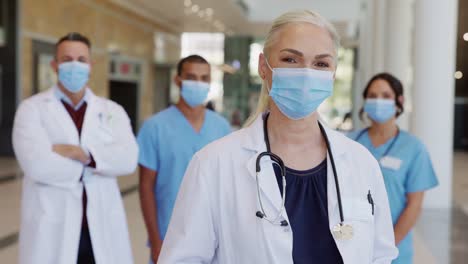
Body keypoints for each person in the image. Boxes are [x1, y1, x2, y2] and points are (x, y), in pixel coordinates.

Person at [158, 10, 398, 264]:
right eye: (291, 60)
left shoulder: (362, 162)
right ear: (264, 67)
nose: (306, 74)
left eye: (321, 63)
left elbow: (380, 255)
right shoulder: (213, 164)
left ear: (333, 74)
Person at [12, 32, 138, 264]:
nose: (74, 65)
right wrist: (96, 164)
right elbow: (36, 164)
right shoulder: (31, 110)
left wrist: (81, 154)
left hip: (100, 224)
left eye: (81, 60)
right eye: (67, 59)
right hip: (52, 223)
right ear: (54, 64)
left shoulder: (112, 110)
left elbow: (128, 159)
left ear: (91, 65)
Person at [137, 54, 231, 263]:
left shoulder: (221, 127)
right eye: (191, 77)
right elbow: (146, 187)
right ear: (177, 80)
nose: (198, 83)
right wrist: (155, 240)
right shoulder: (155, 127)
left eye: (204, 78)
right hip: (169, 233)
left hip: (214, 234)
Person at [348, 73, 439, 264]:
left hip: (394, 250)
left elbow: (414, 205)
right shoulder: (348, 142)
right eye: (372, 96)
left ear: (399, 101)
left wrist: (385, 248)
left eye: (386, 96)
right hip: (349, 244)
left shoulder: (413, 148)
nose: (378, 101)